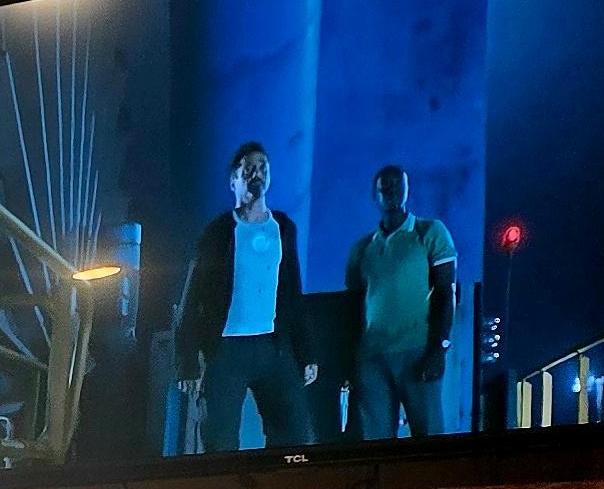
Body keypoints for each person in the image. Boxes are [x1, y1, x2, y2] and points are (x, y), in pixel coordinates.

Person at [173, 143, 314, 453]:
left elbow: (292, 291)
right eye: (248, 169)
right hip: (227, 349)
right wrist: (187, 361)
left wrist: (305, 352)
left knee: (294, 434)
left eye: (263, 168)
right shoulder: (218, 232)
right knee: (220, 440)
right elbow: (193, 295)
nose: (256, 174)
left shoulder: (283, 228)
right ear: (233, 180)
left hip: (272, 345)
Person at [346, 163, 460, 439]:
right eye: (384, 186)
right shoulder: (362, 248)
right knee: (375, 441)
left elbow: (446, 292)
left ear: (407, 190)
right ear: (374, 195)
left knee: (429, 436)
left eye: (397, 184)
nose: (391, 190)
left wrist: (439, 348)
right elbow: (353, 303)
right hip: (373, 356)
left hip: (417, 351)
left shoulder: (430, 231)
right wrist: (353, 358)